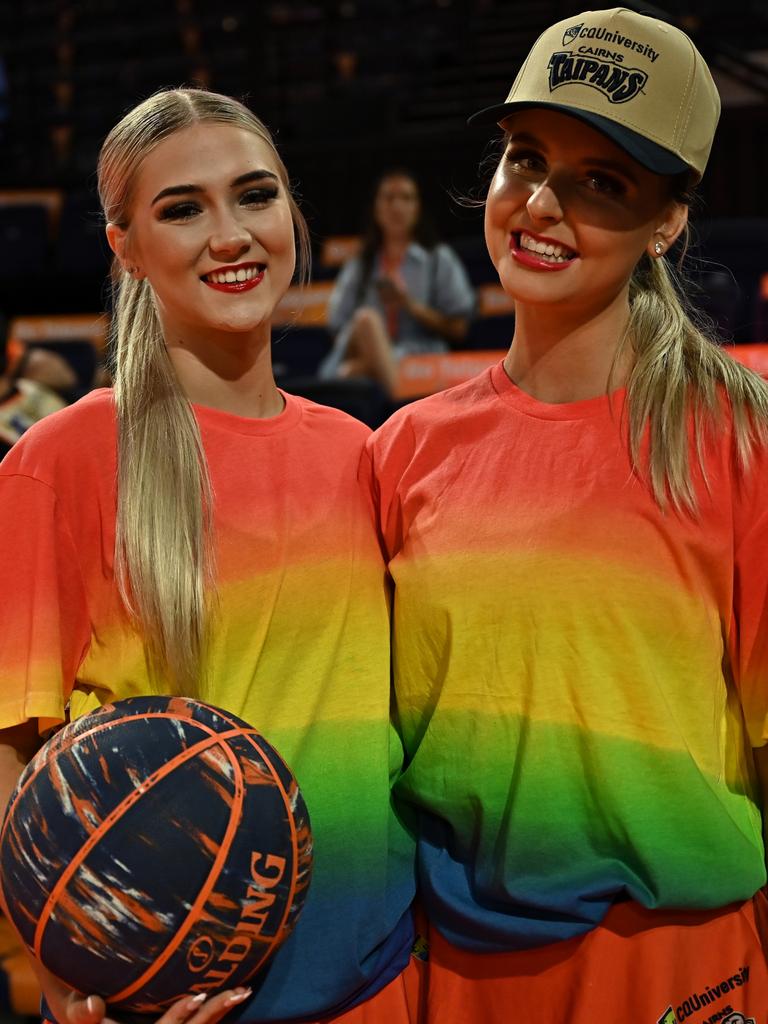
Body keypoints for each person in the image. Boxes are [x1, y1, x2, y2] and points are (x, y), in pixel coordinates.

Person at [368, 9, 768, 1022]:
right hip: (454, 967)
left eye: (603, 182)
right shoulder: (400, 452)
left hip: (679, 965)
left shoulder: (736, 439)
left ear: (670, 219)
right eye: (526, 160)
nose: (541, 206)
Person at [0, 89, 418, 1024]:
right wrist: (59, 951)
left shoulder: (362, 450)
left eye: (255, 195)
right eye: (181, 209)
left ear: (292, 217)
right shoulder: (60, 461)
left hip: (382, 975)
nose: (230, 234)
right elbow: (8, 750)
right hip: (183, 1000)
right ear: (126, 247)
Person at [319, 169, 475, 394]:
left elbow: (459, 330)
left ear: (417, 207)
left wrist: (408, 304)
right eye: (388, 198)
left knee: (349, 372)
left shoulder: (439, 258)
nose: (396, 206)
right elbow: (337, 325)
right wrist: (373, 347)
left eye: (406, 197)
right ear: (376, 208)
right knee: (366, 320)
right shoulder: (361, 262)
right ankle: (398, 398)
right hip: (371, 353)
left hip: (420, 359)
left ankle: (388, 387)